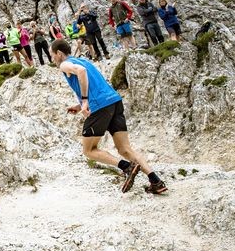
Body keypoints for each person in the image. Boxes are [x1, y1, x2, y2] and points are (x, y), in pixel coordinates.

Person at [51, 39, 166, 194]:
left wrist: (84, 101)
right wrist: (79, 106)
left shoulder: (65, 64)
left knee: (89, 150)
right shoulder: (84, 61)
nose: (52, 59)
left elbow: (81, 72)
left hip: (100, 107)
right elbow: (95, 83)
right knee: (124, 149)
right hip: (114, 101)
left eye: (52, 55)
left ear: (59, 53)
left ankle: (127, 167)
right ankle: (156, 181)